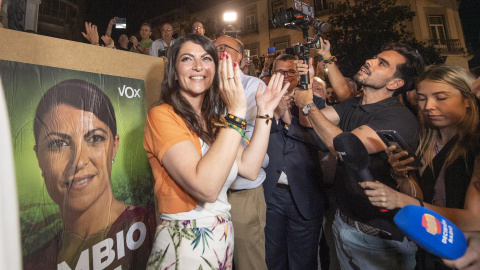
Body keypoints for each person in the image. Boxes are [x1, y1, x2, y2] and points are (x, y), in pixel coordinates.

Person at [143, 34, 287, 270]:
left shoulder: (214, 120)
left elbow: (250, 168)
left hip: (221, 241)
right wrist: (237, 112)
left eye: (206, 58)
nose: (198, 66)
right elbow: (206, 188)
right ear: (173, 69)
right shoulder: (162, 116)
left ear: (215, 68)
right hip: (185, 244)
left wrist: (265, 113)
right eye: (187, 59)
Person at [294, 43, 424, 270]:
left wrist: (307, 104)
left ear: (395, 83)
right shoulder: (352, 105)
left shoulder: (398, 118)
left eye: (381, 63)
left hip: (379, 238)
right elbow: (308, 121)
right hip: (343, 223)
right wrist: (306, 82)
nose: (369, 61)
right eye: (375, 56)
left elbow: (343, 148)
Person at [23, 79, 156, 270]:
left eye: (95, 138)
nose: (79, 162)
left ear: (114, 147)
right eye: (58, 144)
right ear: (38, 156)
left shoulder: (152, 227)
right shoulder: (33, 263)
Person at [359, 65, 480, 269]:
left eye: (441, 97)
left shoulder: (475, 147)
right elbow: (421, 198)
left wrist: (400, 200)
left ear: (468, 99)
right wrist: (401, 176)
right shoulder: (424, 140)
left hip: (464, 253)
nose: (428, 106)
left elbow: (475, 220)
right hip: (429, 250)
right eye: (422, 98)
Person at [264, 53, 328, 270]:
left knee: (303, 261)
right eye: (280, 71)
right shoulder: (261, 100)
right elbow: (254, 139)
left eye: (291, 72)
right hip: (271, 195)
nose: (285, 76)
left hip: (305, 193)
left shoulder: (315, 103)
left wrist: (289, 120)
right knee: (272, 258)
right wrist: (273, 115)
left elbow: (321, 142)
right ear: (272, 74)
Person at [213, 35, 270, 270]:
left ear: (239, 56)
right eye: (212, 48)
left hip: (241, 192)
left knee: (248, 263)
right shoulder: (204, 86)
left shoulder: (254, 87)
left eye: (222, 48)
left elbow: (247, 137)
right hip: (211, 194)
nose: (215, 52)